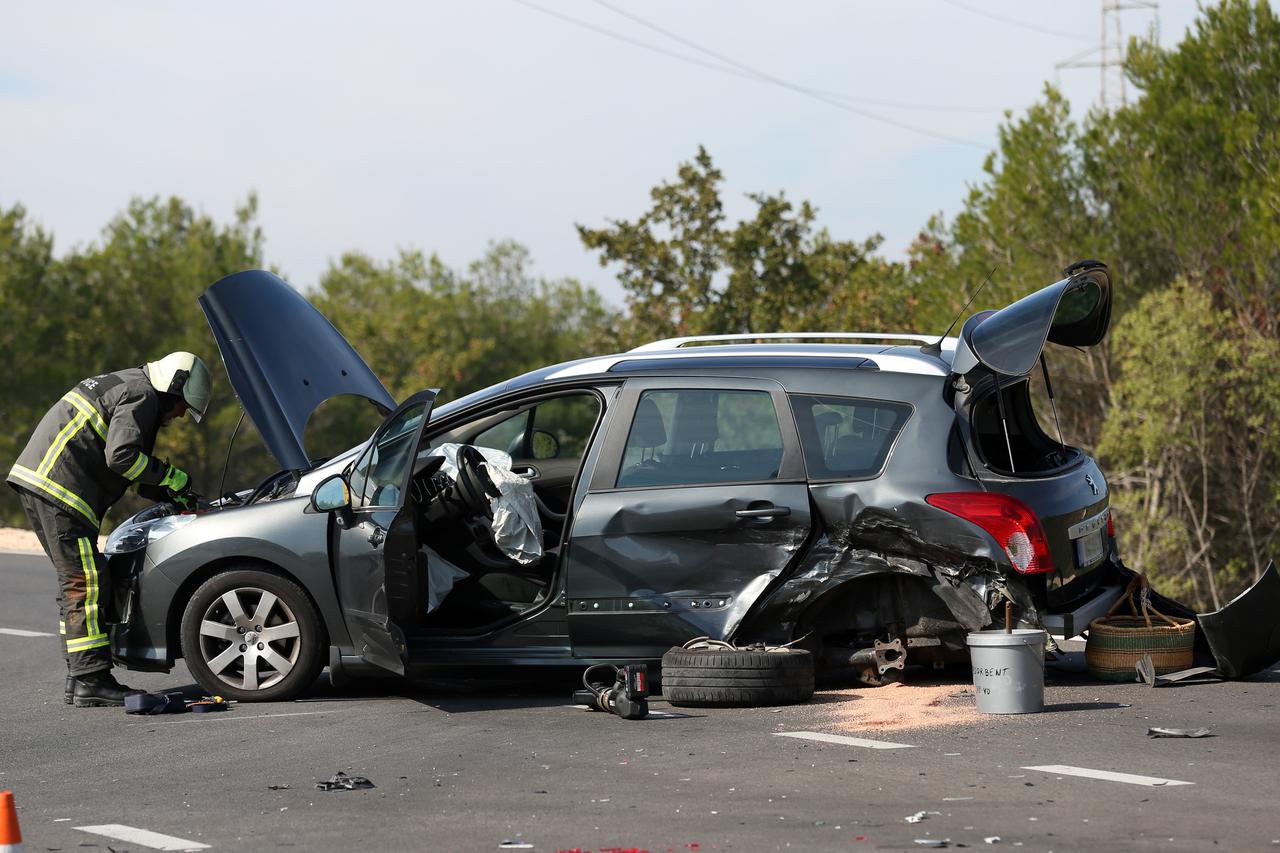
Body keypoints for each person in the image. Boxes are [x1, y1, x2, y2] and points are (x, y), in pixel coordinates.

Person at [6, 352, 212, 707]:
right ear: (173, 388)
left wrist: (172, 490)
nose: (180, 416)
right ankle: (91, 680)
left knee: (81, 580)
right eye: (181, 406)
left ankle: (79, 677)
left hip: (44, 484)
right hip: (60, 490)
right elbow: (121, 457)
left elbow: (127, 466)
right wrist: (171, 476)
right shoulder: (142, 395)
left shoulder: (131, 385)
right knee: (84, 584)